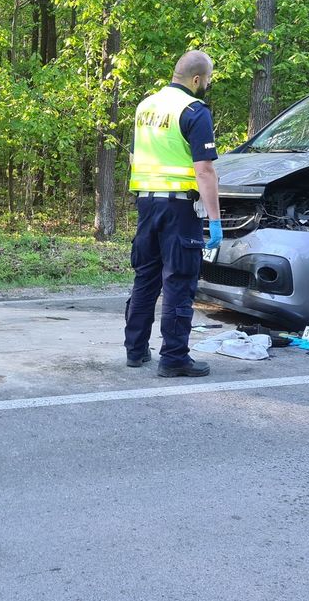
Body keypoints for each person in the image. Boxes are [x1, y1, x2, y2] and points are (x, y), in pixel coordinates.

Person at [123, 50, 222, 377]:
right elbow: (205, 170)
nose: (206, 85)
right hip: (179, 209)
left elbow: (137, 155)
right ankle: (174, 358)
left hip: (147, 205)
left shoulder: (145, 106)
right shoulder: (195, 110)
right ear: (197, 79)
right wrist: (216, 220)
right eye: (206, 80)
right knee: (179, 281)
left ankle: (135, 350)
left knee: (146, 278)